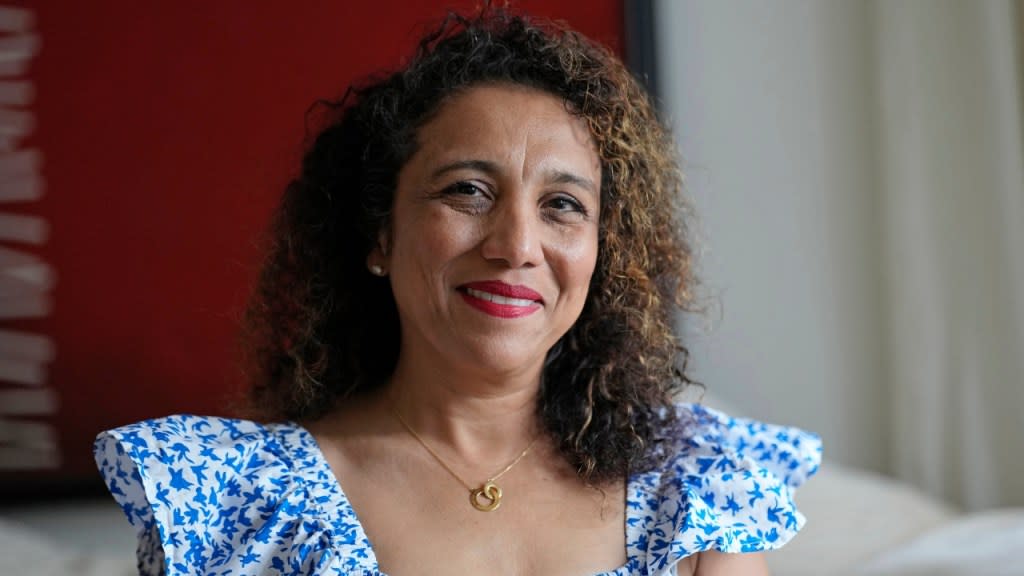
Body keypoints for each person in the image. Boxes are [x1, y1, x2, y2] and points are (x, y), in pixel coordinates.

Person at [94, 8, 820, 576]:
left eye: (563, 205)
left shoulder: (697, 485)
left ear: (604, 253)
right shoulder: (241, 501)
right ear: (379, 235)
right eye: (468, 191)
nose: (516, 245)